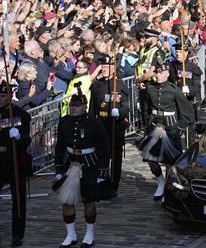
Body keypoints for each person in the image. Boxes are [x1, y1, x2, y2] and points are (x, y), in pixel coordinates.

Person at [53, 88, 111, 248]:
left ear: (84, 107)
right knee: (67, 202)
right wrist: (58, 169)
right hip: (70, 163)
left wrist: (103, 170)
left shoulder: (94, 123)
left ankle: (89, 234)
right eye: (71, 105)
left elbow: (105, 148)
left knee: (89, 202)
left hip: (89, 165)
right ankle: (70, 235)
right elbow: (60, 146)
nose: (73, 108)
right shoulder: (64, 121)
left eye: (77, 106)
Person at [139, 62, 195, 201]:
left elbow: (187, 113)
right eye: (156, 72)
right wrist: (147, 124)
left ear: (168, 74)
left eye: (162, 72)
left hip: (170, 128)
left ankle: (168, 188)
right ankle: (160, 181)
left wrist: (179, 128)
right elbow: (146, 109)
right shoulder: (150, 88)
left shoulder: (174, 90)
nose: (158, 75)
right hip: (154, 126)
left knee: (170, 161)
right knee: (150, 158)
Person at [87, 56, 130, 194]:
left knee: (115, 157)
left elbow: (126, 105)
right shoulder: (96, 85)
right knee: (100, 155)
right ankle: (101, 181)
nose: (105, 69)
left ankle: (114, 183)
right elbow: (92, 108)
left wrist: (120, 113)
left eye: (108, 67)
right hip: (100, 125)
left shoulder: (120, 85)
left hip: (114, 125)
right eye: (103, 67)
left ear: (113, 69)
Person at [0, 82, 32, 247]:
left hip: (14, 158)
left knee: (18, 199)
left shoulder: (21, 115)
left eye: (4, 95)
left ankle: (17, 234)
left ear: (10, 96)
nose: (1, 98)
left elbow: (27, 139)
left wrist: (19, 137)